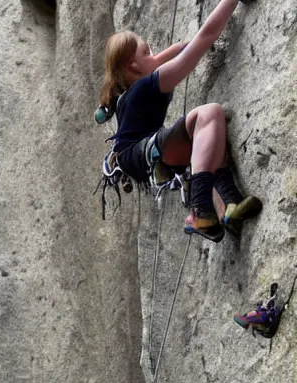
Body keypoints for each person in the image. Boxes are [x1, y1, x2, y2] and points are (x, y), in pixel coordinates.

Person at [97, 0, 261, 242]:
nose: (154, 55)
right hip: (140, 152)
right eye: (147, 51)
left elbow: (165, 56)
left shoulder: (127, 95)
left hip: (140, 159)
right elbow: (206, 37)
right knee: (209, 114)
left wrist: (169, 52)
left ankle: (229, 208)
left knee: (208, 144)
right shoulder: (145, 87)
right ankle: (200, 211)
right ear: (132, 64)